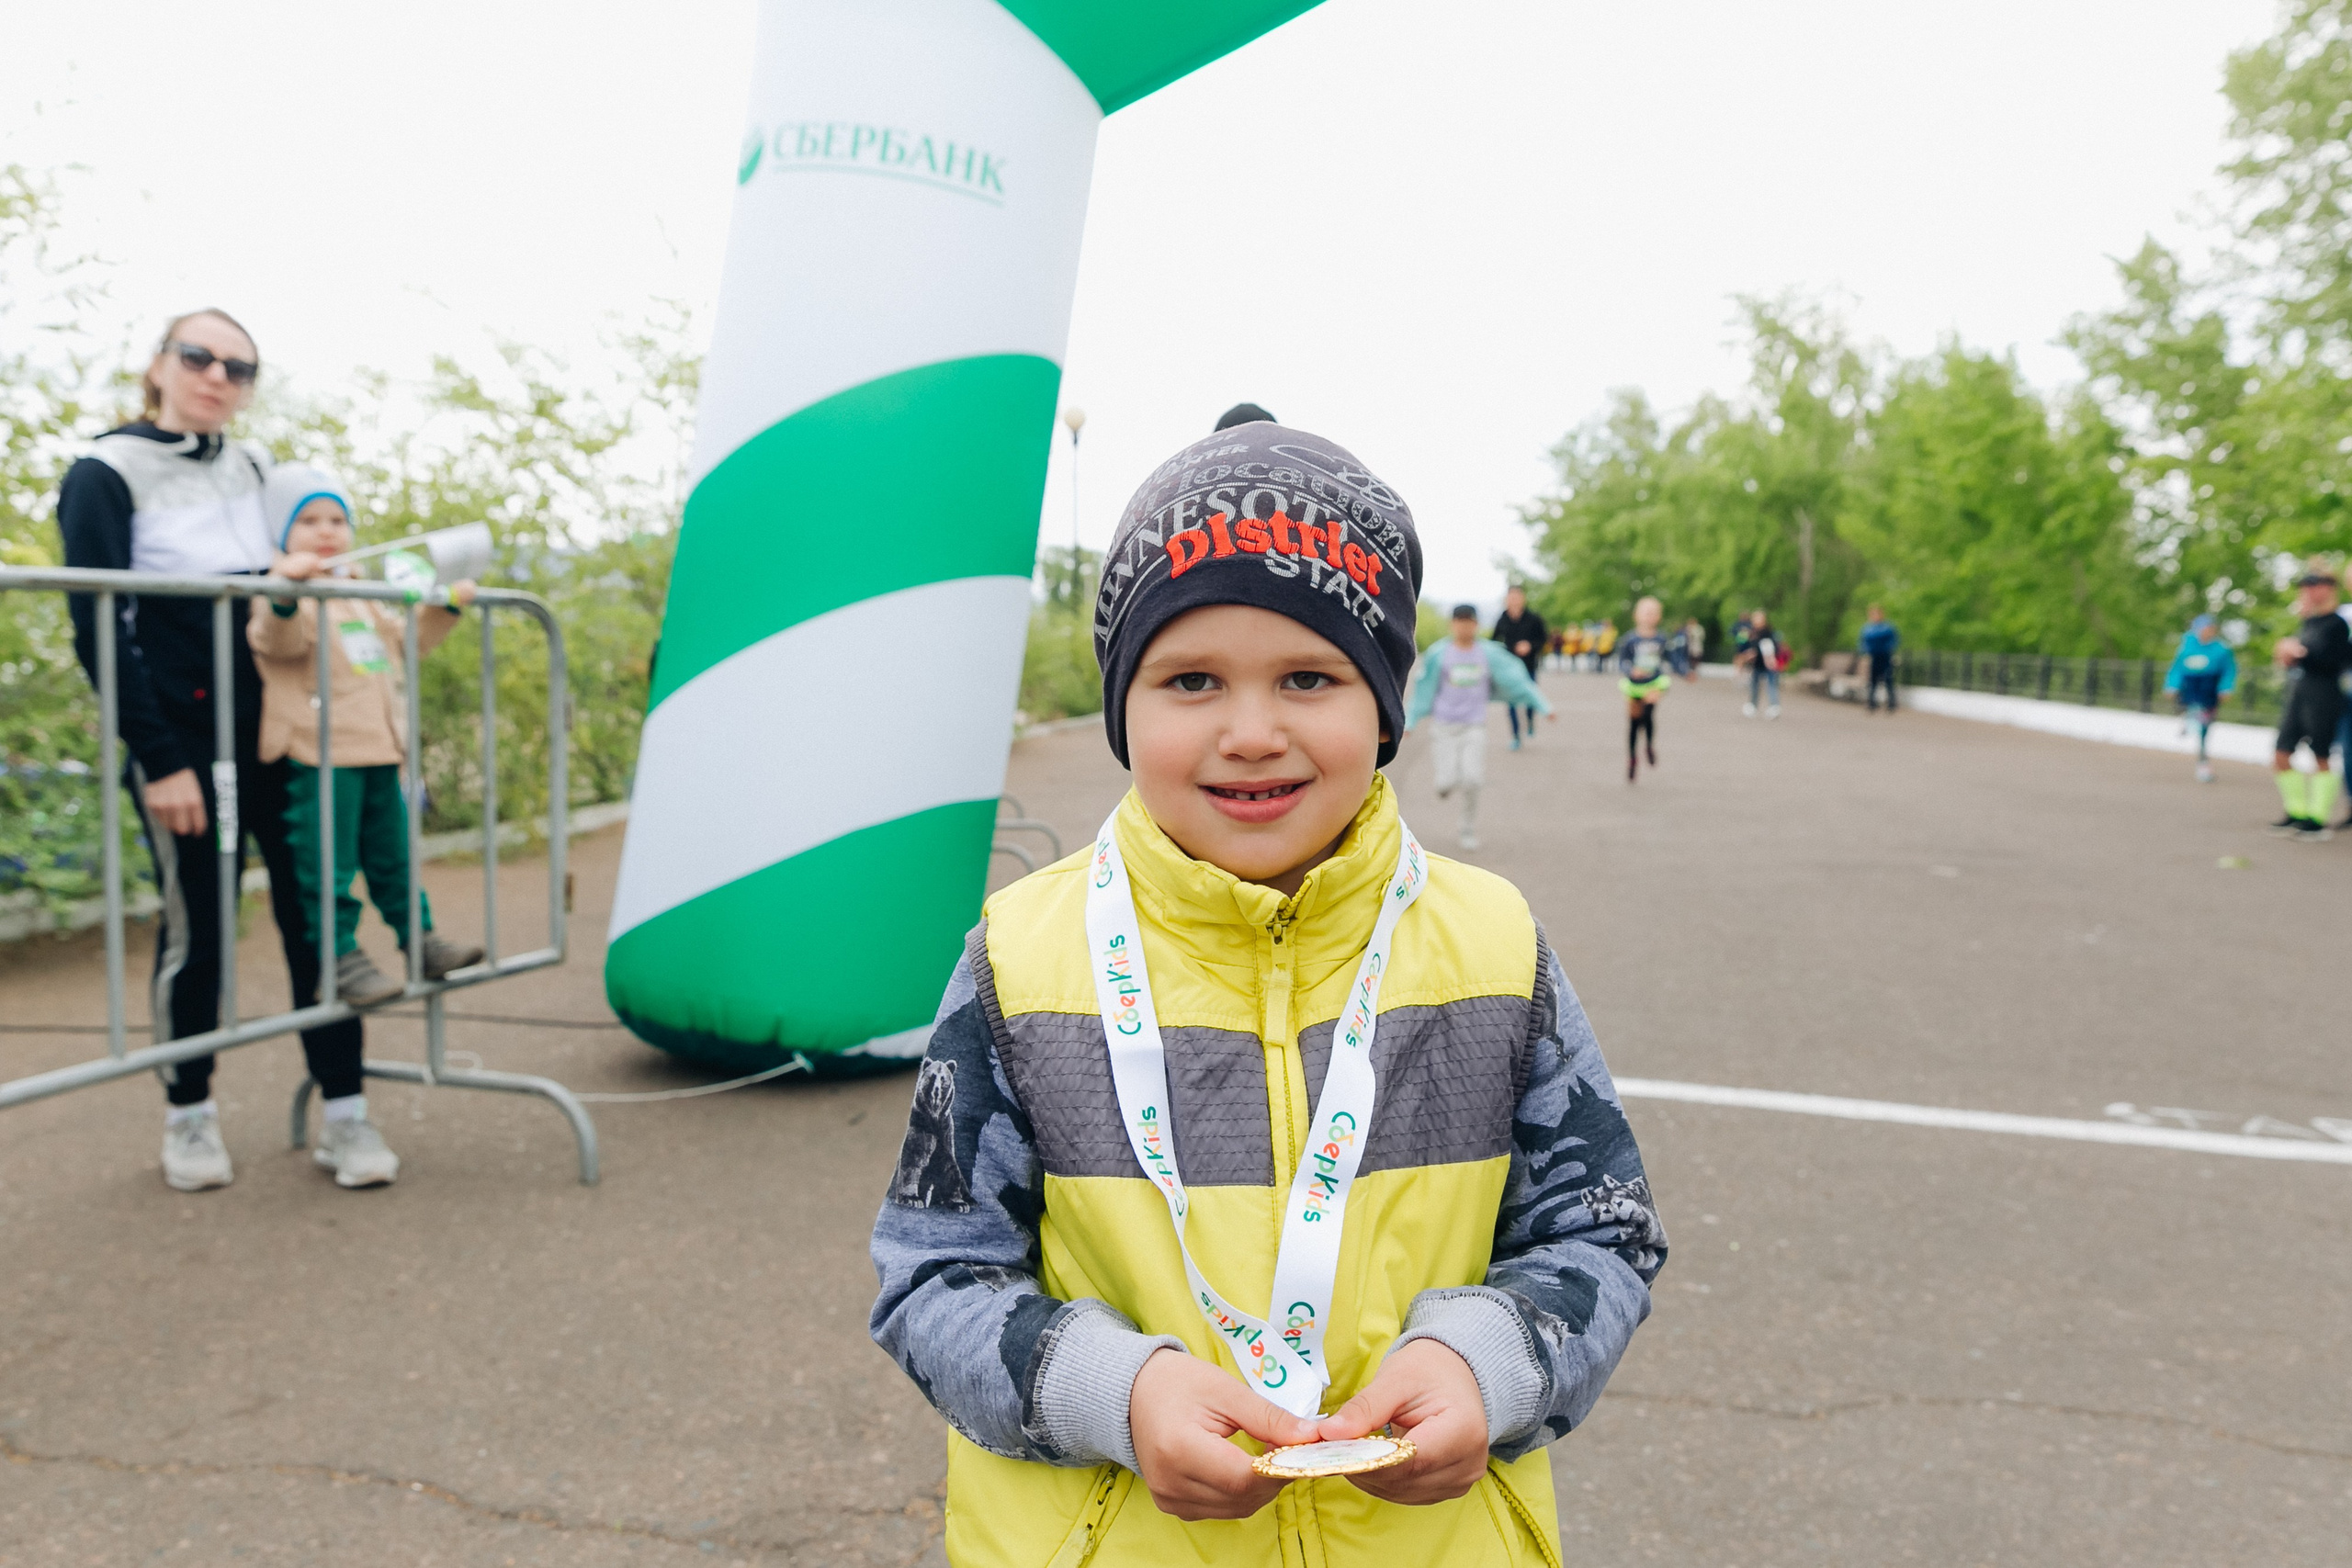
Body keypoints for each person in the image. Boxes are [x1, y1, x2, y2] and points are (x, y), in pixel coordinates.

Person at [869, 422, 1661, 1567]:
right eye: (1190, 680)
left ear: (1386, 704)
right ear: (1121, 707)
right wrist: (1115, 1393)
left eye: (1308, 677)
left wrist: (1484, 1362)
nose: (1251, 732)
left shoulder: (1493, 946)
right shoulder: (1021, 958)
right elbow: (931, 1273)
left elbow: (1601, 1231)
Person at [57, 310, 368, 1193]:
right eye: (199, 356)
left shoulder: (259, 468)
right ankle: (188, 1111)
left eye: (241, 367)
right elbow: (99, 626)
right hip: (184, 743)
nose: (218, 377)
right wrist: (158, 758)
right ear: (158, 363)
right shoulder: (104, 471)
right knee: (201, 927)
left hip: (281, 730)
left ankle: (345, 1108)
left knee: (317, 915)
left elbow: (305, 570)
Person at [250, 463, 486, 1034]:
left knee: (394, 858)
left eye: (337, 519)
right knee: (325, 865)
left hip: (381, 749)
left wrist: (446, 606)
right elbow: (274, 641)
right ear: (280, 533)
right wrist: (285, 591)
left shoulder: (359, 590)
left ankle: (421, 940)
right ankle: (342, 958)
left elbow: (403, 646)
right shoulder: (285, 589)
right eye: (307, 521)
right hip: (319, 753)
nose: (326, 531)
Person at [1403, 604, 1552, 850]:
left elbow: (1516, 679)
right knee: (1445, 783)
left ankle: (1467, 829)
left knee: (1472, 779)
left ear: (1475, 625)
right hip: (1444, 727)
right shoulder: (1439, 654)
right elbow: (1424, 690)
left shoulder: (1488, 654)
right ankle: (1446, 785)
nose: (1464, 626)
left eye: (1468, 621)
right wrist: (1410, 721)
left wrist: (1543, 706)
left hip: (1474, 726)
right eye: (1459, 621)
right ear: (1453, 625)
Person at [2267, 561, 2351, 840]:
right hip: (2301, 692)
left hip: (2325, 694)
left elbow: (2334, 662)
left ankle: (2317, 819)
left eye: (2313, 586)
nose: (2308, 592)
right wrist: (2288, 654)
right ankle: (2297, 811)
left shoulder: (2338, 624)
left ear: (2328, 589)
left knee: (2321, 754)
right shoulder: (2309, 622)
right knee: (2281, 752)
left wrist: (2299, 653)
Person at [1616, 596, 1693, 781]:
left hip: (1654, 682)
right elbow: (1622, 662)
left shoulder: (1662, 639)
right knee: (1634, 723)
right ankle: (1632, 757)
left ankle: (1649, 745)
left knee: (1648, 714)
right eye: (1646, 612)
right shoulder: (1629, 640)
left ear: (1658, 617)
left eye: (1653, 613)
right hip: (1634, 685)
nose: (1649, 616)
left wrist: (1685, 672)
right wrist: (1631, 670)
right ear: (1636, 615)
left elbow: (1674, 659)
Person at [2164, 613, 2236, 784]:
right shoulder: (2186, 647)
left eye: (2210, 628)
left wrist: (2226, 688)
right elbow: (2176, 669)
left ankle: (2194, 726)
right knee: (2197, 713)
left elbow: (2229, 671)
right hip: (2190, 689)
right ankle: (2190, 718)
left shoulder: (2221, 650)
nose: (2207, 631)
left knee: (2205, 724)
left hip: (2209, 690)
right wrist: (2171, 685)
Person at [1488, 584, 1548, 750]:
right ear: (1506, 600)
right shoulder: (1502, 619)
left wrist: (1529, 646)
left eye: (1517, 597)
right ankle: (1515, 736)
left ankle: (1529, 720)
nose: (1514, 600)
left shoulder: (1533, 618)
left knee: (1530, 698)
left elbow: (1543, 639)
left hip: (1529, 666)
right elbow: (1494, 642)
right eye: (1511, 597)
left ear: (1523, 599)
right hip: (1509, 670)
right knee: (1512, 703)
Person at [1736, 607, 1783, 717]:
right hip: (1757, 664)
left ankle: (1774, 706)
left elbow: (1773, 648)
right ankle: (1753, 705)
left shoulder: (1768, 632)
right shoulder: (1751, 633)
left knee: (1771, 686)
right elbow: (1743, 645)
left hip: (1769, 664)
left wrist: (1756, 653)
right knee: (1754, 686)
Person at [1859, 604, 1900, 714]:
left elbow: (1894, 641)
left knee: (1888, 680)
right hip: (1873, 657)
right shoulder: (1868, 628)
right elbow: (1863, 642)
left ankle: (1891, 703)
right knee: (1873, 681)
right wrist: (1866, 652)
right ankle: (1872, 703)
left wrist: (1888, 649)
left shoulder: (1887, 627)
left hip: (1885, 656)